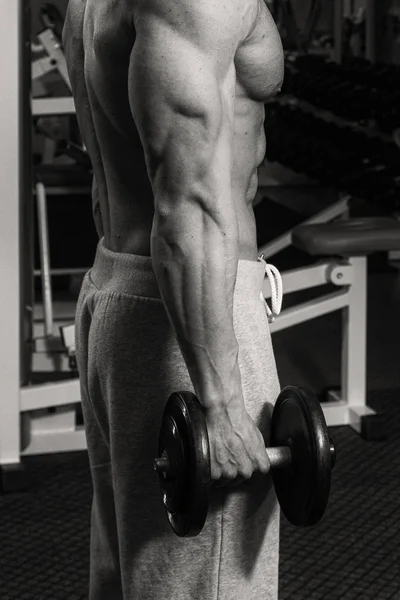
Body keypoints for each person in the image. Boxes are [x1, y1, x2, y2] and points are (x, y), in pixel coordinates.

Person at [63, 0, 284, 598]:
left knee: (136, 569)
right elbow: (187, 204)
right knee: (206, 581)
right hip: (187, 312)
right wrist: (220, 404)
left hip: (121, 287)